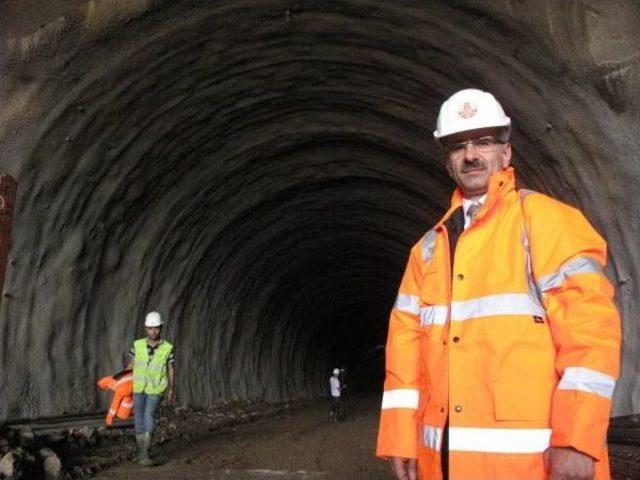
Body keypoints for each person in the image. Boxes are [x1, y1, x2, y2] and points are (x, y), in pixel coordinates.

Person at [377, 88, 621, 480]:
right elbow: (404, 355)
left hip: (528, 467)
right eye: (459, 146)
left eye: (484, 142)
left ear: (505, 154)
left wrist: (576, 440)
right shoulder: (426, 250)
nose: (471, 154)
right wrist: (400, 437)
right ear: (447, 161)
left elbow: (591, 338)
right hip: (443, 464)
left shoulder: (546, 222)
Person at [126, 311, 176, 466]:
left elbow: (171, 369)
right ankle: (141, 453)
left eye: (156, 328)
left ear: (161, 328)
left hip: (156, 389)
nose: (153, 331)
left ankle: (145, 452)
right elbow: (131, 366)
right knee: (138, 419)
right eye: (150, 328)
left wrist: (171, 390)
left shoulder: (167, 348)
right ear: (145, 328)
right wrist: (124, 383)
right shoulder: (137, 345)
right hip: (138, 387)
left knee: (149, 415)